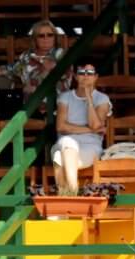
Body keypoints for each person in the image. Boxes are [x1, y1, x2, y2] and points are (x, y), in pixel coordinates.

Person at [0, 20, 72, 120]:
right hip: (28, 105)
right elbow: (10, 70)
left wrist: (49, 68)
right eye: (41, 36)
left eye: (50, 35)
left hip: (54, 106)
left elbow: (65, 76)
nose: (46, 38)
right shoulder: (27, 56)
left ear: (55, 37)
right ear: (35, 39)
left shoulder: (62, 55)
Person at [50, 64, 112, 195]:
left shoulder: (102, 98)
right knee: (67, 142)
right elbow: (61, 127)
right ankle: (73, 191)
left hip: (90, 147)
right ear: (76, 76)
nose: (85, 76)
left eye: (89, 73)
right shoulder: (65, 97)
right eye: (82, 72)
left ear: (96, 77)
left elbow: (95, 125)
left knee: (58, 157)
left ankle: (64, 201)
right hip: (64, 144)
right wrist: (90, 130)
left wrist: (89, 99)